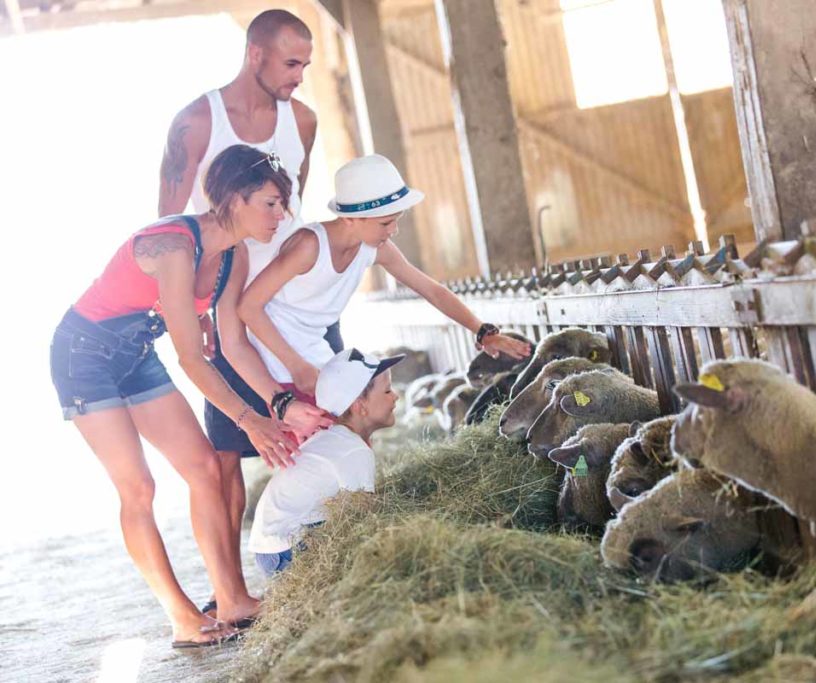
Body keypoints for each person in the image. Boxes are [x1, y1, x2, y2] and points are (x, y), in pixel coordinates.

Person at [49, 145, 323, 648]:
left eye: (282, 204)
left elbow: (231, 341)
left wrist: (277, 402)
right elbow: (192, 358)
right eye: (269, 203)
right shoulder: (175, 246)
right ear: (234, 200)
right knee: (139, 489)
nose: (280, 216)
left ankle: (232, 599)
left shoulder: (232, 254)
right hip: (83, 356)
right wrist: (248, 419)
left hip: (135, 353)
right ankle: (182, 618)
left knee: (203, 469)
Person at [157, 9, 336, 614]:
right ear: (254, 54)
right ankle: (230, 590)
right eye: (292, 63)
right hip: (228, 309)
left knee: (318, 427)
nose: (300, 77)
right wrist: (196, 309)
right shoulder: (196, 123)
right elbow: (167, 227)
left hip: (296, 307)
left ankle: (323, 560)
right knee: (228, 453)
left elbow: (296, 206)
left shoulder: (302, 120)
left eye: (306, 65)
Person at [238, 154, 532, 401]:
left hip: (314, 351)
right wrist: (296, 366)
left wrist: (483, 332)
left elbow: (431, 290)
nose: (393, 230)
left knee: (351, 432)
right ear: (350, 218)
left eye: (396, 220)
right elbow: (249, 306)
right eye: (386, 222)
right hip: (277, 358)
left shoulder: (373, 247)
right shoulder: (309, 246)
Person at [248, 348, 404, 575]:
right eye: (388, 390)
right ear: (360, 406)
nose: (396, 396)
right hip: (288, 552)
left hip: (272, 548)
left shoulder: (336, 439)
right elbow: (363, 516)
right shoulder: (354, 451)